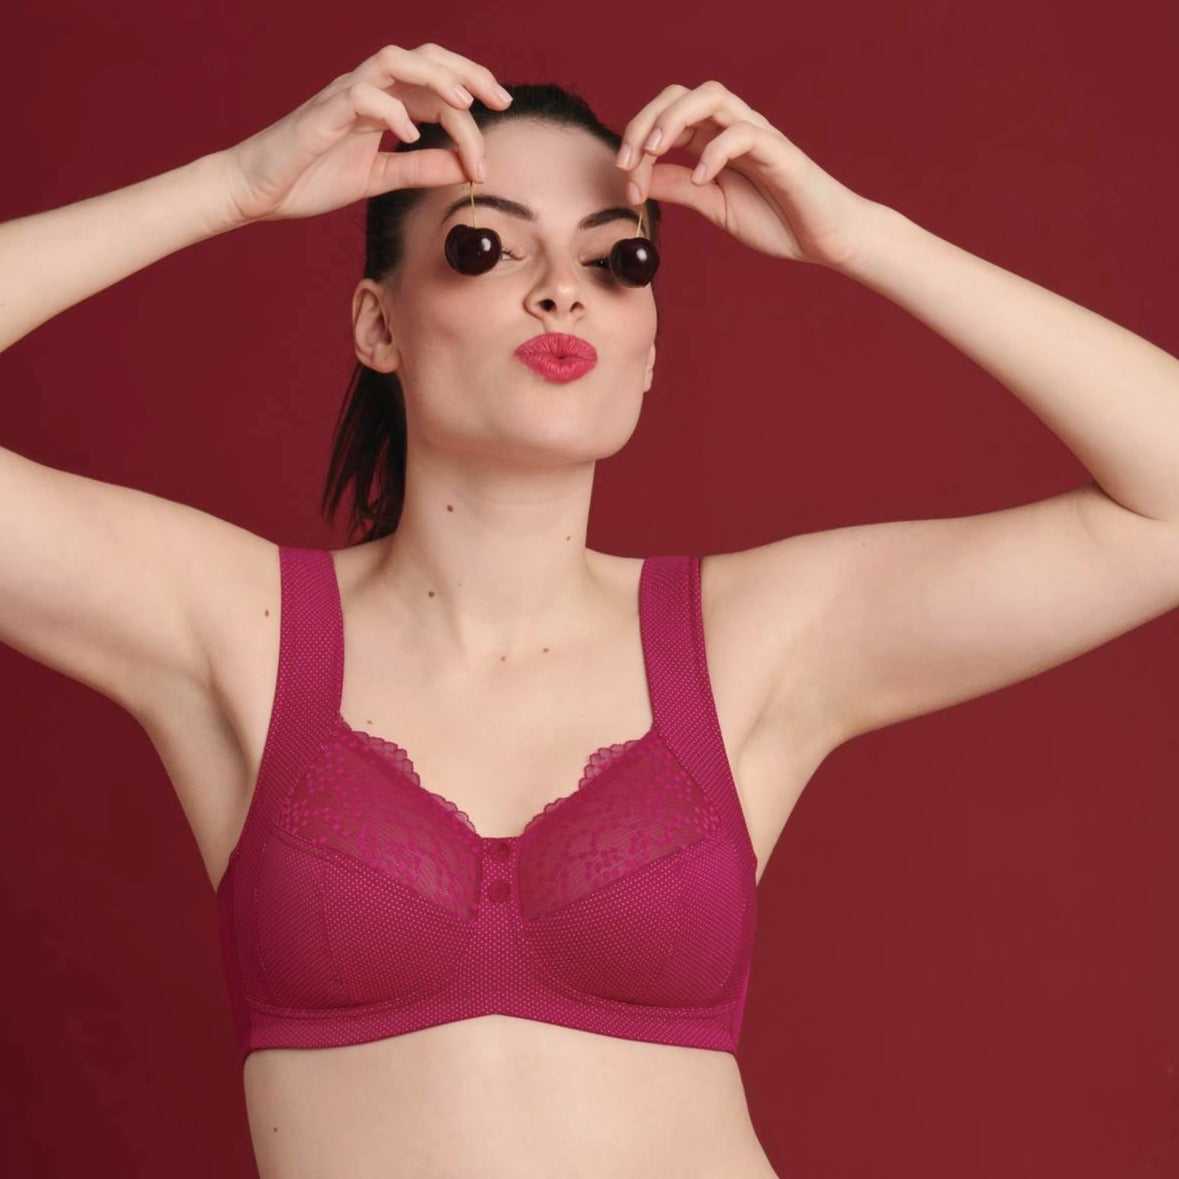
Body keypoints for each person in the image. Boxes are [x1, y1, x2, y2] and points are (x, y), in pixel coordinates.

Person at [2, 39, 1177, 1179]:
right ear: (377, 325)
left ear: (649, 351)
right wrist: (228, 188)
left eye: (621, 260)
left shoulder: (752, 639)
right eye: (483, 246)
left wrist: (865, 239)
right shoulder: (236, 629)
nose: (563, 290)